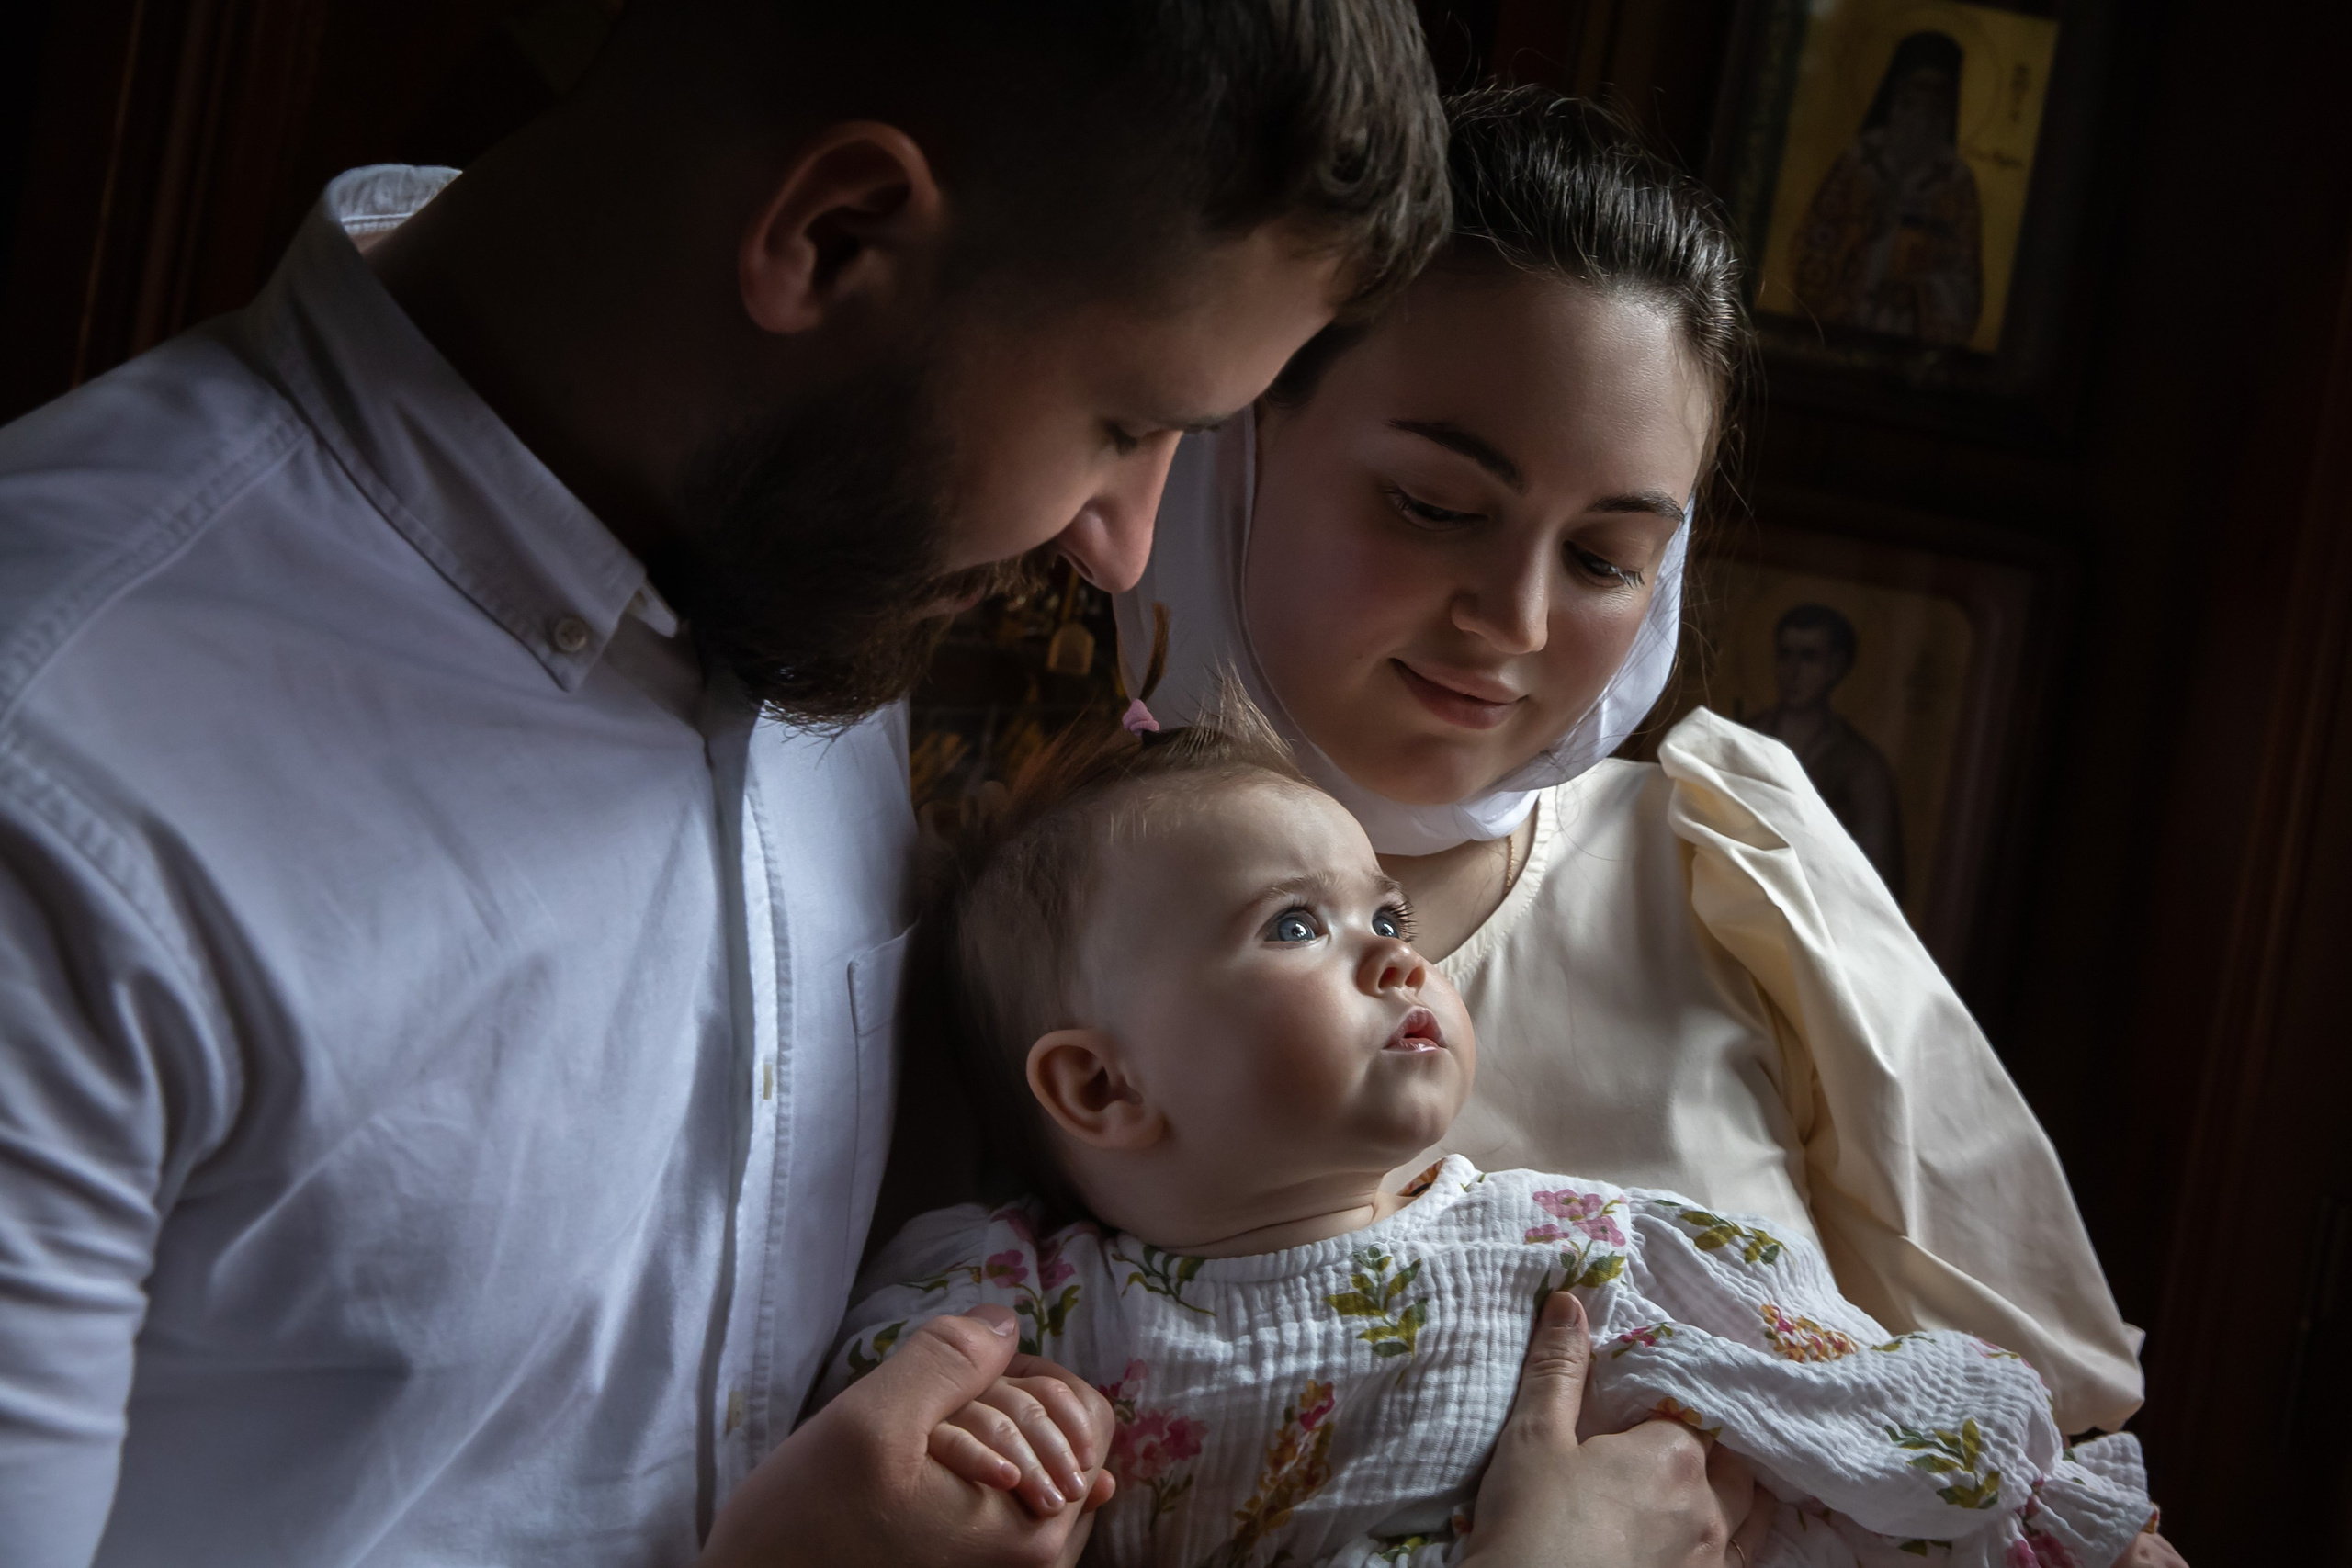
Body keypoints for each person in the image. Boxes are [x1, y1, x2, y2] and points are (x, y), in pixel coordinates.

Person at [0, 4, 1454, 1564]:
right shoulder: (59, 770)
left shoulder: (804, 555)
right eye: (1128, 424)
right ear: (835, 237)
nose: (1117, 545)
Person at [1114, 85, 2147, 1441]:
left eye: (1606, 557)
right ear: (1242, 440)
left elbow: (2056, 1437)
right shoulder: (1047, 907)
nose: (1517, 621)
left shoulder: (1732, 871)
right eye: (1435, 506)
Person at [818, 701, 2175, 1567]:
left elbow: (1846, 1403)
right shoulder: (1017, 1299)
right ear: (1103, 1090)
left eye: (1387, 919)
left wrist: (2054, 1521)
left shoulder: (1567, 1252)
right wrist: (990, 1427)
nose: (1396, 959)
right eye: (1296, 924)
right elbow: (862, 1431)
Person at [1791, 30, 1984, 347]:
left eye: (1939, 93)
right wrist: (1862, 232)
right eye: (1920, 88)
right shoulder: (1857, 163)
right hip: (1844, 323)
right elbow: (1815, 242)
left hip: (1910, 335)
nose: (1927, 103)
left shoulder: (1957, 182)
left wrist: (1917, 290)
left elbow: (1965, 279)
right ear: (1899, 91)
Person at [1741, 604, 1905, 900]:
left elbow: (1877, 882)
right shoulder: (1742, 738)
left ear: (1835, 667)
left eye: (1809, 657)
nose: (1793, 672)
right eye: (1785, 655)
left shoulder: (1860, 765)